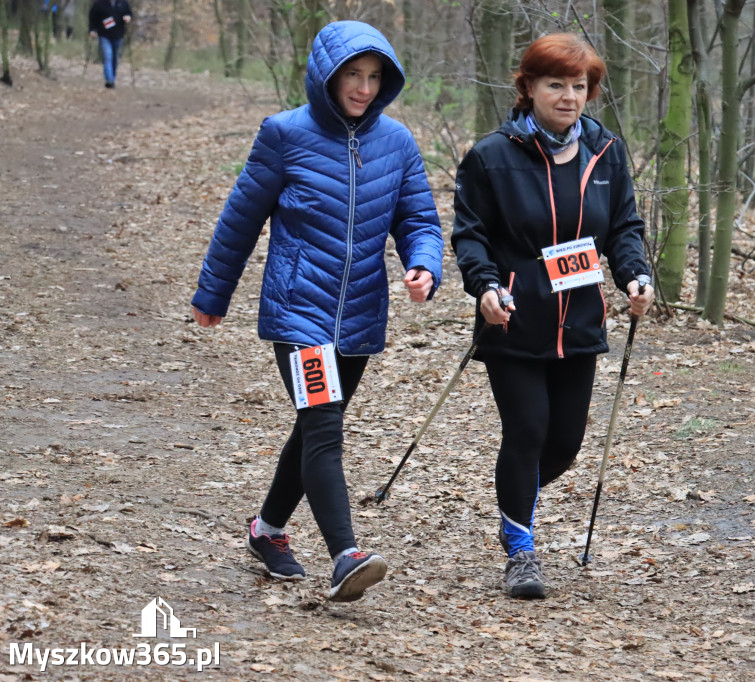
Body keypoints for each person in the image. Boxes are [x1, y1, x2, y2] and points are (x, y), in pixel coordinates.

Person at [191, 21, 443, 603]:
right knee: (325, 428)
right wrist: (213, 294)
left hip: (358, 315)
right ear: (326, 77)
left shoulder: (398, 142)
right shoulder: (284, 134)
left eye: (374, 76)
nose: (362, 87)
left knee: (314, 425)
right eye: (352, 75)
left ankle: (267, 529)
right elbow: (240, 219)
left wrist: (424, 265)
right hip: (298, 309)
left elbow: (420, 220)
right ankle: (345, 556)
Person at [451, 33, 655, 600]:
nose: (569, 97)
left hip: (581, 321)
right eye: (556, 85)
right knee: (527, 430)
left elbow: (623, 230)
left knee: (564, 443)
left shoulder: (607, 152)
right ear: (529, 88)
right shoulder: (492, 154)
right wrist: (485, 286)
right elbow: (470, 236)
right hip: (514, 317)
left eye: (580, 86)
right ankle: (521, 548)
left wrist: (635, 275)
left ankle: (513, 501)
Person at [88, 0, 131, 88]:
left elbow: (129, 13)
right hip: (104, 35)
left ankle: (112, 77)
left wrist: (128, 17)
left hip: (118, 35)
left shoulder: (123, 3)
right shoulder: (99, 4)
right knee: (108, 55)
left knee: (115, 57)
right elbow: (92, 18)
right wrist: (92, 30)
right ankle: (109, 80)